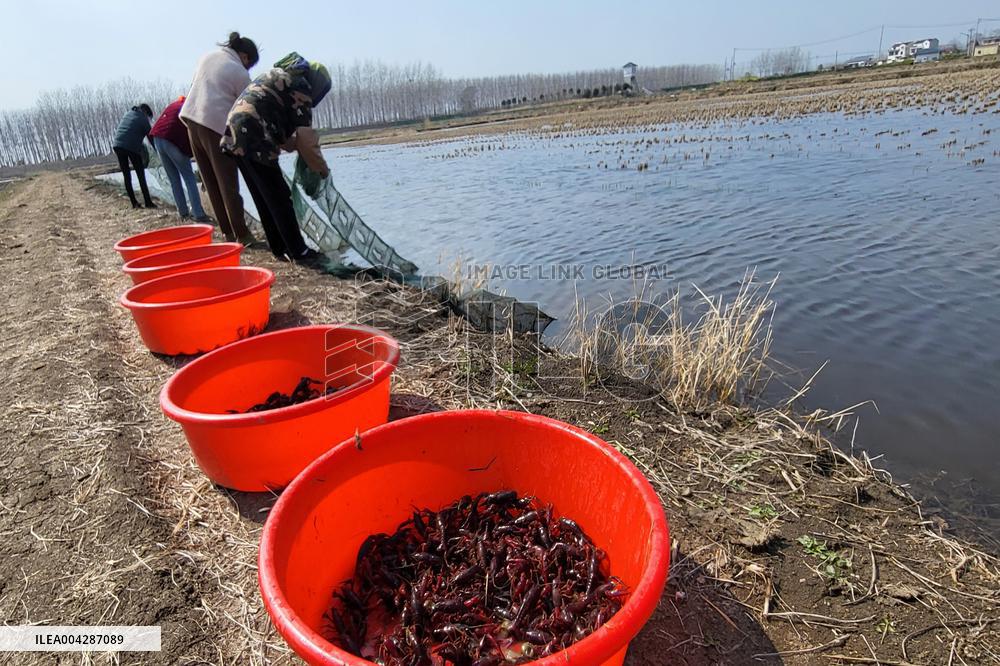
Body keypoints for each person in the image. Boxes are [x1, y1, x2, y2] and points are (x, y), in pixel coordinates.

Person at [221, 52, 330, 266]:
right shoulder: (301, 85)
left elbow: (283, 131)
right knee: (280, 196)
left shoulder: (282, 76)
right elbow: (307, 140)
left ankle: (279, 247)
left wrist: (292, 144)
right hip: (253, 135)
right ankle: (299, 251)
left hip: (235, 135)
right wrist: (322, 170)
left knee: (264, 196)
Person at [180, 32, 259, 244]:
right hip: (213, 125)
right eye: (249, 64)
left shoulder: (208, 57)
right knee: (227, 182)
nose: (248, 69)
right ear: (244, 56)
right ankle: (242, 234)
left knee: (210, 181)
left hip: (191, 121)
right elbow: (248, 109)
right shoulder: (238, 72)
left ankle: (227, 233)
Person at [149, 96, 207, 221]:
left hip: (157, 138)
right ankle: (198, 213)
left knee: (174, 179)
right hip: (171, 140)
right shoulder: (190, 108)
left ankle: (183, 213)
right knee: (189, 177)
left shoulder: (175, 105)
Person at [112, 104, 156, 209]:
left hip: (117, 145)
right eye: (149, 117)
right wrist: (158, 151)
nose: (149, 119)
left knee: (126, 175)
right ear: (146, 113)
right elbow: (151, 138)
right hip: (131, 146)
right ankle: (148, 202)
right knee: (140, 174)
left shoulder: (129, 113)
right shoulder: (143, 119)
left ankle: (134, 203)